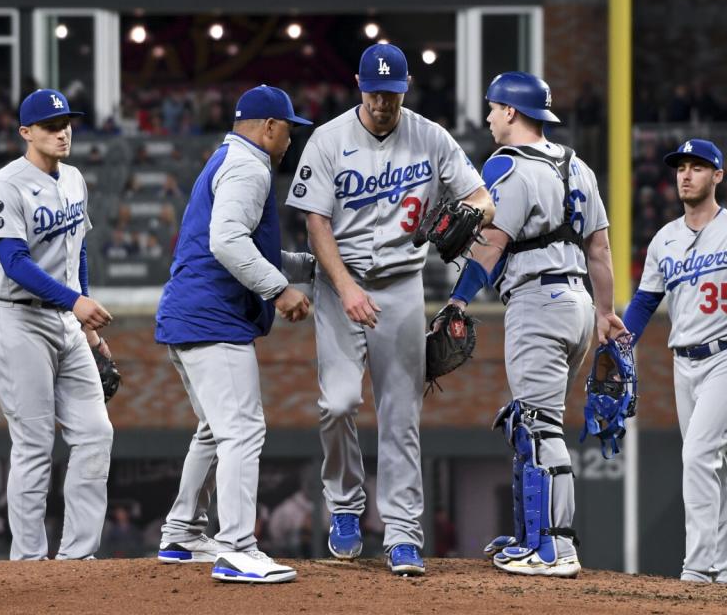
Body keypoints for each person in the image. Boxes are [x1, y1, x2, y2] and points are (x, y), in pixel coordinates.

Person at [285, 43, 495, 577]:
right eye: (375, 92)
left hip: (402, 285)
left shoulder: (429, 135)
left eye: (392, 93)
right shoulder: (329, 139)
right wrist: (346, 287)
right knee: (337, 404)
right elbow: (315, 224)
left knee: (401, 415)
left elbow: (483, 197)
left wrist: (467, 211)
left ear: (405, 90)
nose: (383, 102)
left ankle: (403, 534)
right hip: (340, 285)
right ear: (359, 84)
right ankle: (346, 507)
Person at [452, 71, 626, 578]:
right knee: (532, 417)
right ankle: (532, 534)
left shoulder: (507, 165)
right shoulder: (578, 165)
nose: (487, 117)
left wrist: (458, 301)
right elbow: (600, 249)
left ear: (511, 111)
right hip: (575, 303)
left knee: (538, 426)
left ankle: (555, 546)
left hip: (536, 302)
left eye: (492, 108)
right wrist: (605, 313)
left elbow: (492, 244)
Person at [154, 85, 313, 584]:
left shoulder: (229, 157)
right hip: (212, 319)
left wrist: (312, 268)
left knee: (215, 430)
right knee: (243, 429)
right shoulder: (249, 165)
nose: (292, 138)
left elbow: (231, 242)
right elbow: (226, 242)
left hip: (191, 314)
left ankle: (182, 532)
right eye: (289, 128)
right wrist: (279, 289)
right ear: (269, 126)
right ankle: (237, 546)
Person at [622, 138, 727, 584]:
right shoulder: (665, 238)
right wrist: (619, 347)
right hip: (685, 363)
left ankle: (699, 568)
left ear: (717, 175)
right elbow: (643, 303)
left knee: (698, 455)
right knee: (714, 465)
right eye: (681, 167)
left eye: (697, 167)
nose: (686, 174)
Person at [0, 89, 114, 561]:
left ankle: (77, 558)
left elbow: (77, 250)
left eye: (67, 123)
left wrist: (89, 327)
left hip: (66, 322)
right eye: (51, 126)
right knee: (35, 443)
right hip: (17, 320)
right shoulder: (6, 185)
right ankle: (29, 563)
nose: (63, 132)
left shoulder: (74, 178)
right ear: (26, 132)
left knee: (96, 433)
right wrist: (76, 302)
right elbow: (14, 262)